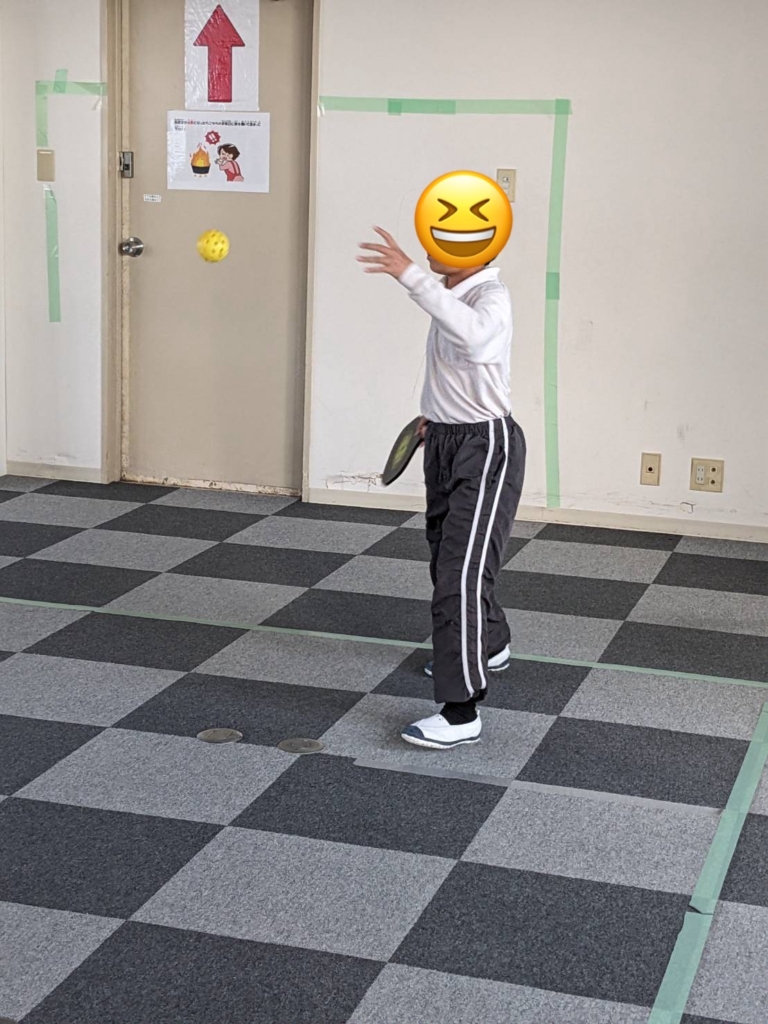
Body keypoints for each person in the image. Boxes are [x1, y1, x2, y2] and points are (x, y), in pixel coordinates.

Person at [357, 227, 526, 749]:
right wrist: (437, 416)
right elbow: (457, 372)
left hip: (485, 448)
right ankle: (490, 641)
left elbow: (476, 340)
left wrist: (409, 274)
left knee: (460, 575)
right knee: (448, 558)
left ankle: (461, 712)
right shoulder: (454, 294)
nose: (430, 248)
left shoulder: (491, 298)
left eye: (444, 240)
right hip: (446, 439)